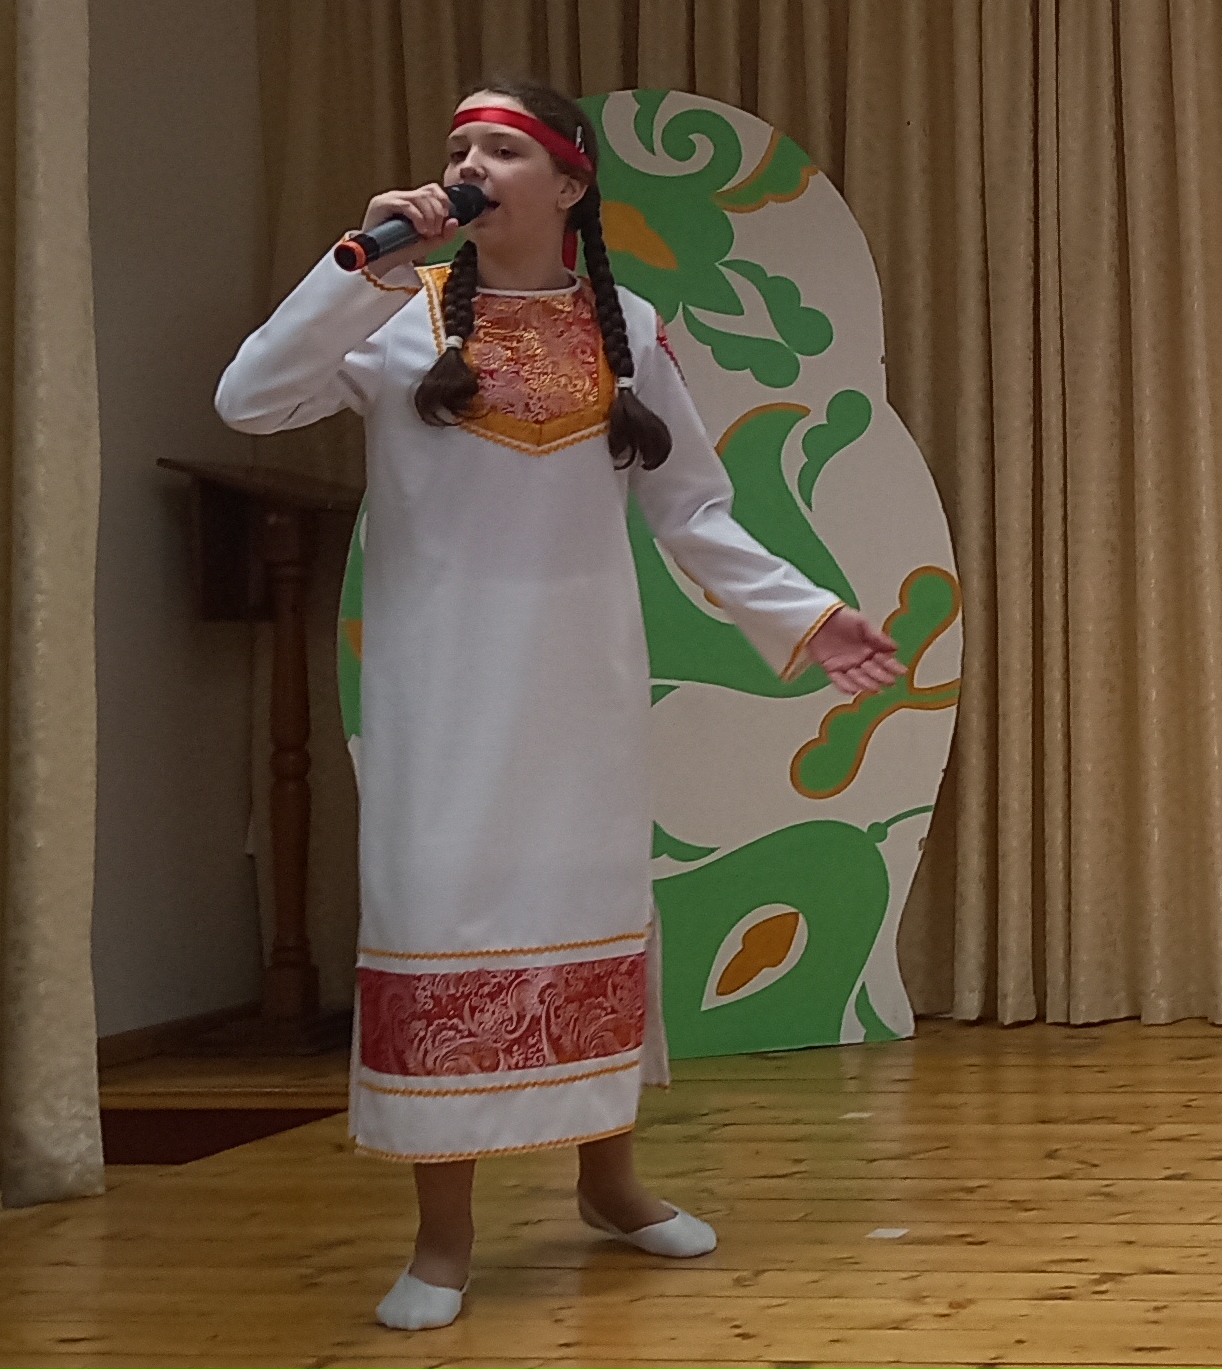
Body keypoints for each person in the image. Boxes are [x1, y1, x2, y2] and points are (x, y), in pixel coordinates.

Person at [215, 76, 900, 1330]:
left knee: (590, 920)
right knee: (442, 926)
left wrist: (808, 616)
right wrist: (362, 269)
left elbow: (692, 508)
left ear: (571, 184)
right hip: (439, 697)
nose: (466, 164)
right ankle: (443, 1240)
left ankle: (610, 1185)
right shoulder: (399, 316)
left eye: (499, 148)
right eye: (457, 146)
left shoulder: (627, 323)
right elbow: (250, 399)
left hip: (580, 691)